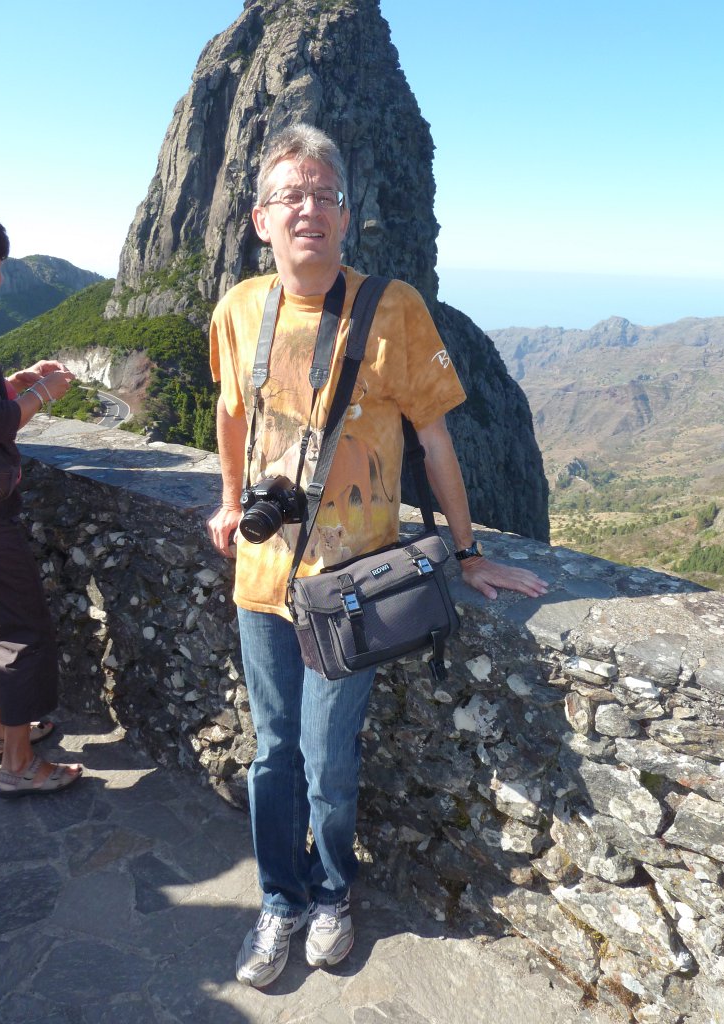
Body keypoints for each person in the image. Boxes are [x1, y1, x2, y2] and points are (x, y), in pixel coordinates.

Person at [206, 124, 549, 988]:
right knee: (272, 752)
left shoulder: (391, 308)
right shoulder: (239, 310)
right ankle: (279, 902)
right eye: (291, 195)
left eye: (325, 194)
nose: (309, 209)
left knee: (329, 757)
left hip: (351, 587)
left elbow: (434, 444)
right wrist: (225, 499)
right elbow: (230, 417)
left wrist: (468, 555)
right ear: (259, 218)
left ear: (348, 216)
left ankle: (332, 895)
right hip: (261, 580)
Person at [0, 207, 83, 798]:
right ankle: (20, 763)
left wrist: (13, 381)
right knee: (22, 629)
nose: (2, 280)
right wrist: (44, 391)